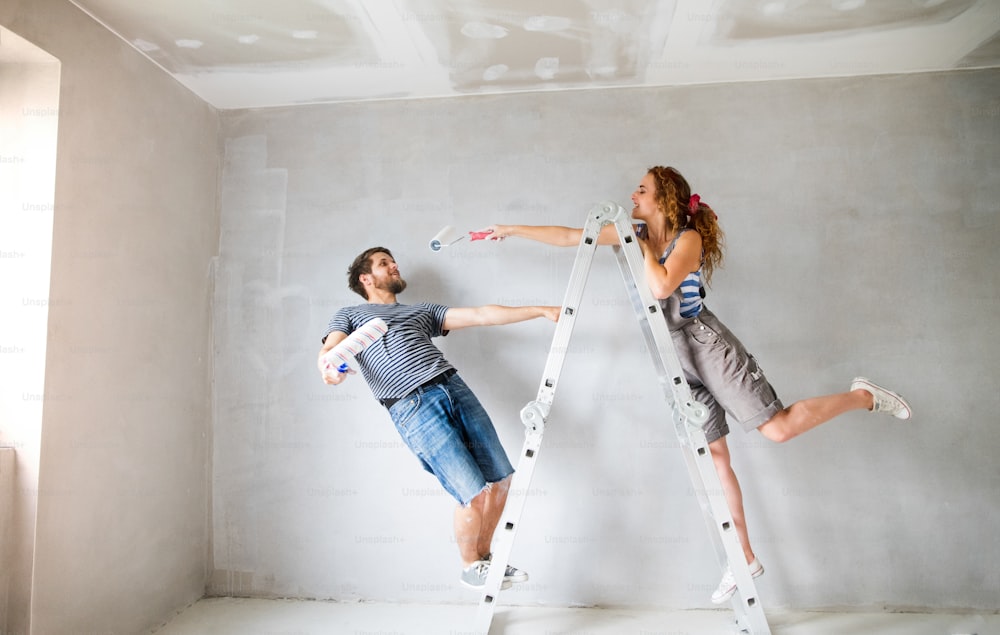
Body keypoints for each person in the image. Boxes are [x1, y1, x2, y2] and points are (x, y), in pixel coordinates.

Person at [483, 166, 911, 603]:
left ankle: (864, 396)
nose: (632, 193)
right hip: (672, 357)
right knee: (714, 457)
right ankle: (742, 556)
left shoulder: (687, 239)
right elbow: (574, 236)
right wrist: (511, 229)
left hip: (705, 344)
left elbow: (661, 285)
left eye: (642, 188)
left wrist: (644, 245)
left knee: (778, 429)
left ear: (664, 199)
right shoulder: (632, 233)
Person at [318, 246, 560, 590]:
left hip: (453, 386)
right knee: (472, 492)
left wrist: (540, 310)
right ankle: (469, 566)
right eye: (384, 263)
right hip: (411, 405)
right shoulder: (351, 315)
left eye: (393, 260)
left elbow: (480, 315)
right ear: (366, 278)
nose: (394, 265)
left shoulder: (421, 311)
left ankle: (485, 561)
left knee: (501, 479)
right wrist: (330, 369)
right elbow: (331, 351)